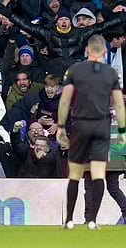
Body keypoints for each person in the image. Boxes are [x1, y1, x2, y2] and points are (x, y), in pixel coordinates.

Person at [57, 35, 126, 230]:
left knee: (77, 174)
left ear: (87, 51)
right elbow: (119, 105)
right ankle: (93, 221)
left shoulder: (75, 70)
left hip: (81, 124)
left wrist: (61, 127)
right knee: (97, 174)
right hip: (102, 126)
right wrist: (121, 130)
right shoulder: (111, 74)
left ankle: (69, 220)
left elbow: (64, 101)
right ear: (104, 52)